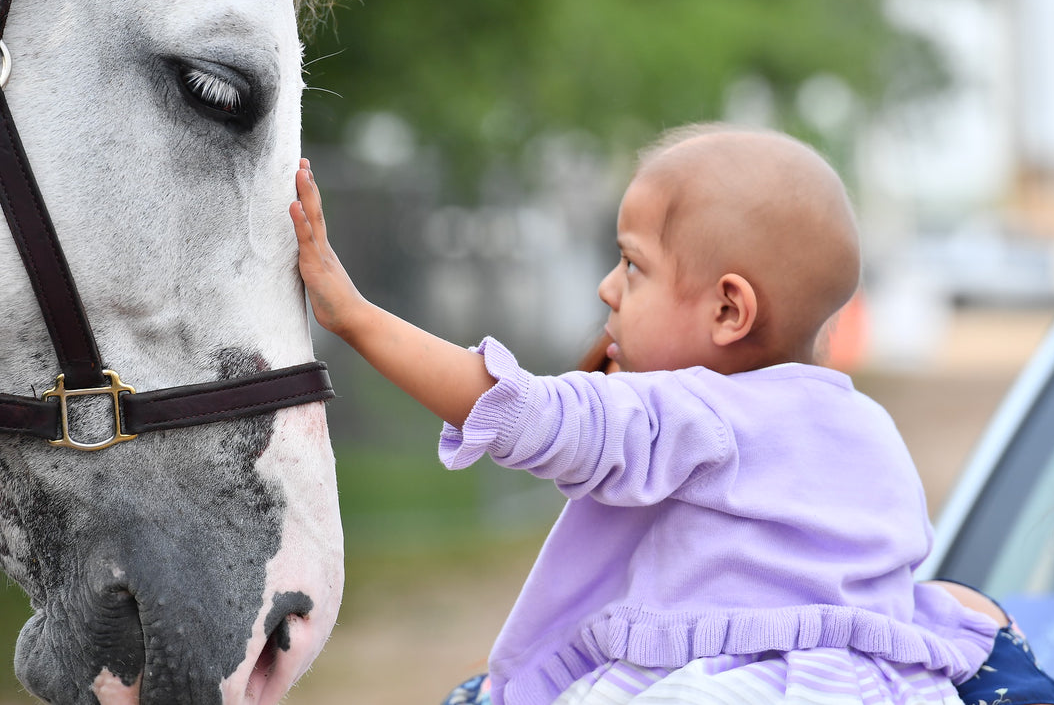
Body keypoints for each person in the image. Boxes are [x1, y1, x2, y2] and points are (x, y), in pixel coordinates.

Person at [291, 124, 1002, 704]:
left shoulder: (690, 412)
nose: (608, 289)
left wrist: (353, 316)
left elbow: (520, 410)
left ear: (728, 309)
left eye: (632, 267)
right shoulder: (869, 427)